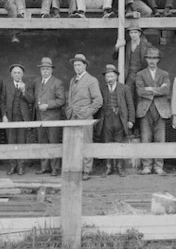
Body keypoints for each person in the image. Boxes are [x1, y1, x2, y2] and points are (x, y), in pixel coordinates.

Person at [65, 53, 103, 181]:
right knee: (74, 144)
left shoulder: (91, 80)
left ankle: (86, 170)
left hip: (85, 117)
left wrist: (88, 113)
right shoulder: (72, 80)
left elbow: (98, 100)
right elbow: (70, 98)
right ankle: (76, 169)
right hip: (73, 116)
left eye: (79, 65)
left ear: (85, 65)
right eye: (75, 65)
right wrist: (69, 110)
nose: (77, 67)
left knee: (86, 143)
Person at [135, 47, 171, 176]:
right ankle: (147, 166)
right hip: (145, 109)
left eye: (154, 58)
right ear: (146, 59)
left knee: (160, 139)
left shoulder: (164, 74)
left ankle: (158, 166)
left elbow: (166, 90)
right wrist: (157, 89)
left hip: (161, 110)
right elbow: (140, 91)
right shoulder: (140, 74)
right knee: (146, 138)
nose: (152, 61)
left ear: (158, 60)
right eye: (150, 58)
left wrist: (149, 89)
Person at [98, 64, 135, 176]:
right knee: (107, 144)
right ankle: (108, 167)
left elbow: (130, 105)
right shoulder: (102, 89)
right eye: (107, 76)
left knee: (119, 144)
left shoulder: (124, 88)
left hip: (120, 119)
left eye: (111, 76)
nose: (109, 79)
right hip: (107, 120)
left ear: (116, 77)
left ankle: (119, 167)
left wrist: (131, 120)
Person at [33, 57, 65, 176]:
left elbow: (61, 100)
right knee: (42, 143)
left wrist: (48, 105)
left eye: (47, 69)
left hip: (52, 118)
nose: (45, 71)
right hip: (40, 118)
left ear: (51, 70)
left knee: (53, 143)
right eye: (43, 69)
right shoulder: (37, 82)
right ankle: (44, 167)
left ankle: (55, 168)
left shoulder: (57, 82)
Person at [113, 22, 153, 120]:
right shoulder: (126, 44)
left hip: (141, 76)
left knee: (141, 100)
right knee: (129, 100)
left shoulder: (146, 44)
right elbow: (114, 57)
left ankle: (139, 126)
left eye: (135, 32)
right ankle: (131, 122)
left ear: (140, 33)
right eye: (131, 33)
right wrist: (117, 47)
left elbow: (155, 59)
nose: (133, 35)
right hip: (130, 76)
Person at [1, 63, 35, 176]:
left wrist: (24, 91)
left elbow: (31, 100)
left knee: (21, 142)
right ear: (11, 74)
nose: (17, 75)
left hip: (22, 118)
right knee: (11, 142)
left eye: (19, 72)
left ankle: (21, 166)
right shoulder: (6, 85)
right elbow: (2, 101)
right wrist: (4, 115)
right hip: (10, 118)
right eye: (15, 72)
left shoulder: (28, 84)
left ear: (23, 74)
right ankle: (12, 166)